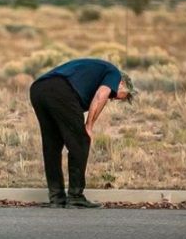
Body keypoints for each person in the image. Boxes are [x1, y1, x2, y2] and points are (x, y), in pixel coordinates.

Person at [29, 58, 136, 208]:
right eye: (116, 96)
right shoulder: (114, 73)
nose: (112, 98)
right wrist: (89, 126)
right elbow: (101, 96)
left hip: (38, 89)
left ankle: (57, 198)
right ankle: (75, 197)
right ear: (122, 83)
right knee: (81, 141)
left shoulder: (96, 73)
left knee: (52, 145)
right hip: (60, 90)